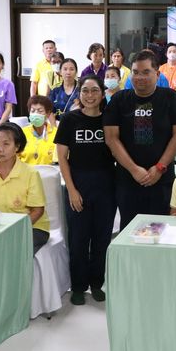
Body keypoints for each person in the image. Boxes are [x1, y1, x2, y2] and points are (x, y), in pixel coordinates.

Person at [104, 50, 176, 230]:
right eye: (135, 72)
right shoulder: (119, 100)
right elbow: (111, 138)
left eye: (145, 72)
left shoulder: (170, 98)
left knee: (161, 231)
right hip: (128, 180)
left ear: (157, 74)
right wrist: (134, 169)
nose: (139, 77)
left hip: (161, 180)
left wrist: (159, 167)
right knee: (130, 231)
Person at [56, 75, 116, 305]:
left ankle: (96, 283)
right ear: (79, 94)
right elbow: (62, 158)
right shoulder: (70, 119)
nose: (89, 95)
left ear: (102, 93)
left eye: (94, 90)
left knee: (102, 239)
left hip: (106, 186)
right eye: (85, 91)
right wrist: (72, 190)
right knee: (78, 239)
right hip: (78, 184)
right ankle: (78, 286)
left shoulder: (110, 119)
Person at [0, 122, 49, 255]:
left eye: (6, 144)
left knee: (9, 247)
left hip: (32, 228)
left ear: (17, 147)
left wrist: (12, 230)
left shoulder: (30, 173)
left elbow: (37, 211)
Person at [20, 95, 58, 165]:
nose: (36, 114)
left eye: (40, 111)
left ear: (48, 113)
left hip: (48, 171)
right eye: (32, 111)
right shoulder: (21, 133)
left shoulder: (56, 134)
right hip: (25, 171)